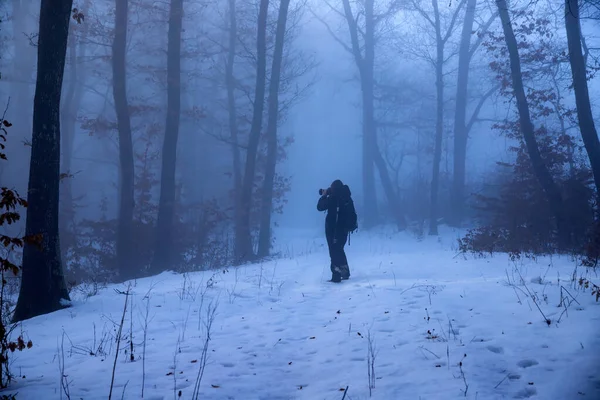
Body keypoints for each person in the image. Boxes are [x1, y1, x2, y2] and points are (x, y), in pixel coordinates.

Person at [316, 179, 357, 282]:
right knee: (339, 249)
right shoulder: (347, 197)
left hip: (332, 229)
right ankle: (345, 271)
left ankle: (336, 274)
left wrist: (324, 195)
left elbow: (320, 207)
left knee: (333, 251)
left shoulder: (333, 198)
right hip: (344, 229)